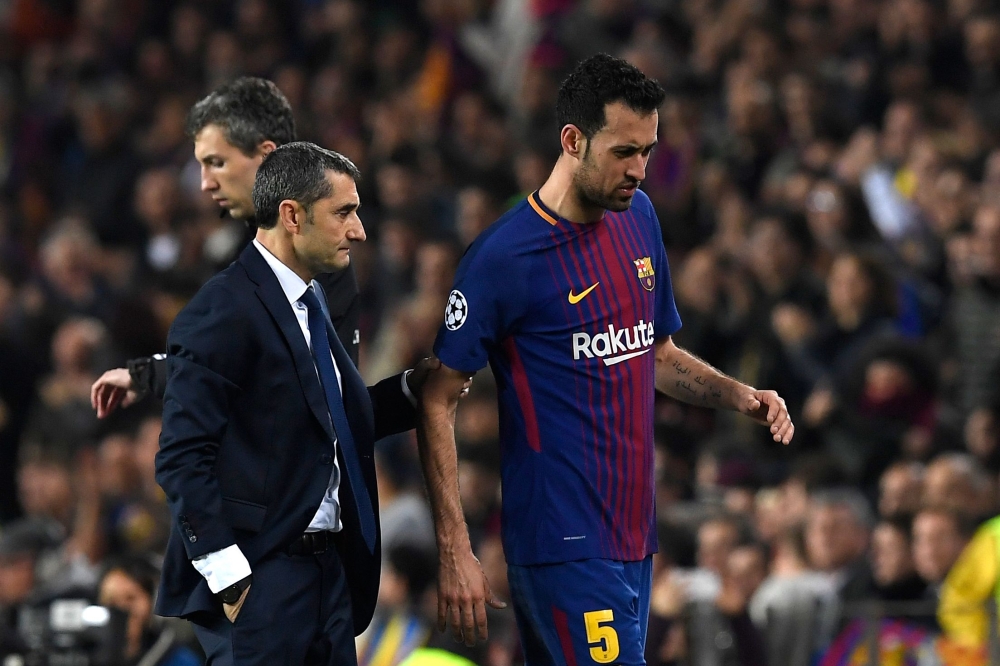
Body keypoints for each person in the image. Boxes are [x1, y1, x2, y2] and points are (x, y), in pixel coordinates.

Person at [418, 53, 794, 662]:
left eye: (648, 151)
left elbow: (656, 354)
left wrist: (736, 396)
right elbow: (436, 399)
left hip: (635, 535)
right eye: (624, 152)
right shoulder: (503, 258)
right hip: (561, 541)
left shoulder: (639, 218)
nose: (640, 170)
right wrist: (455, 546)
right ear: (572, 140)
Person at [154, 142, 436, 665]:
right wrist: (229, 576)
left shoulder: (310, 300)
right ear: (292, 216)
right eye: (344, 213)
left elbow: (330, 422)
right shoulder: (222, 308)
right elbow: (180, 455)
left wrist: (413, 392)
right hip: (263, 579)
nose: (359, 230)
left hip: (327, 577)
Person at [90, 77, 362, 418]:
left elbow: (273, 369)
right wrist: (148, 373)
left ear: (266, 156)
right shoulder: (254, 243)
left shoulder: (308, 244)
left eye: (217, 163)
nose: (205, 183)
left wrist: (155, 374)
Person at [96, 555, 201, 666]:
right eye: (111, 602)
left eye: (130, 599)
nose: (121, 610)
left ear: (154, 601)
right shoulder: (83, 654)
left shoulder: (180, 660)